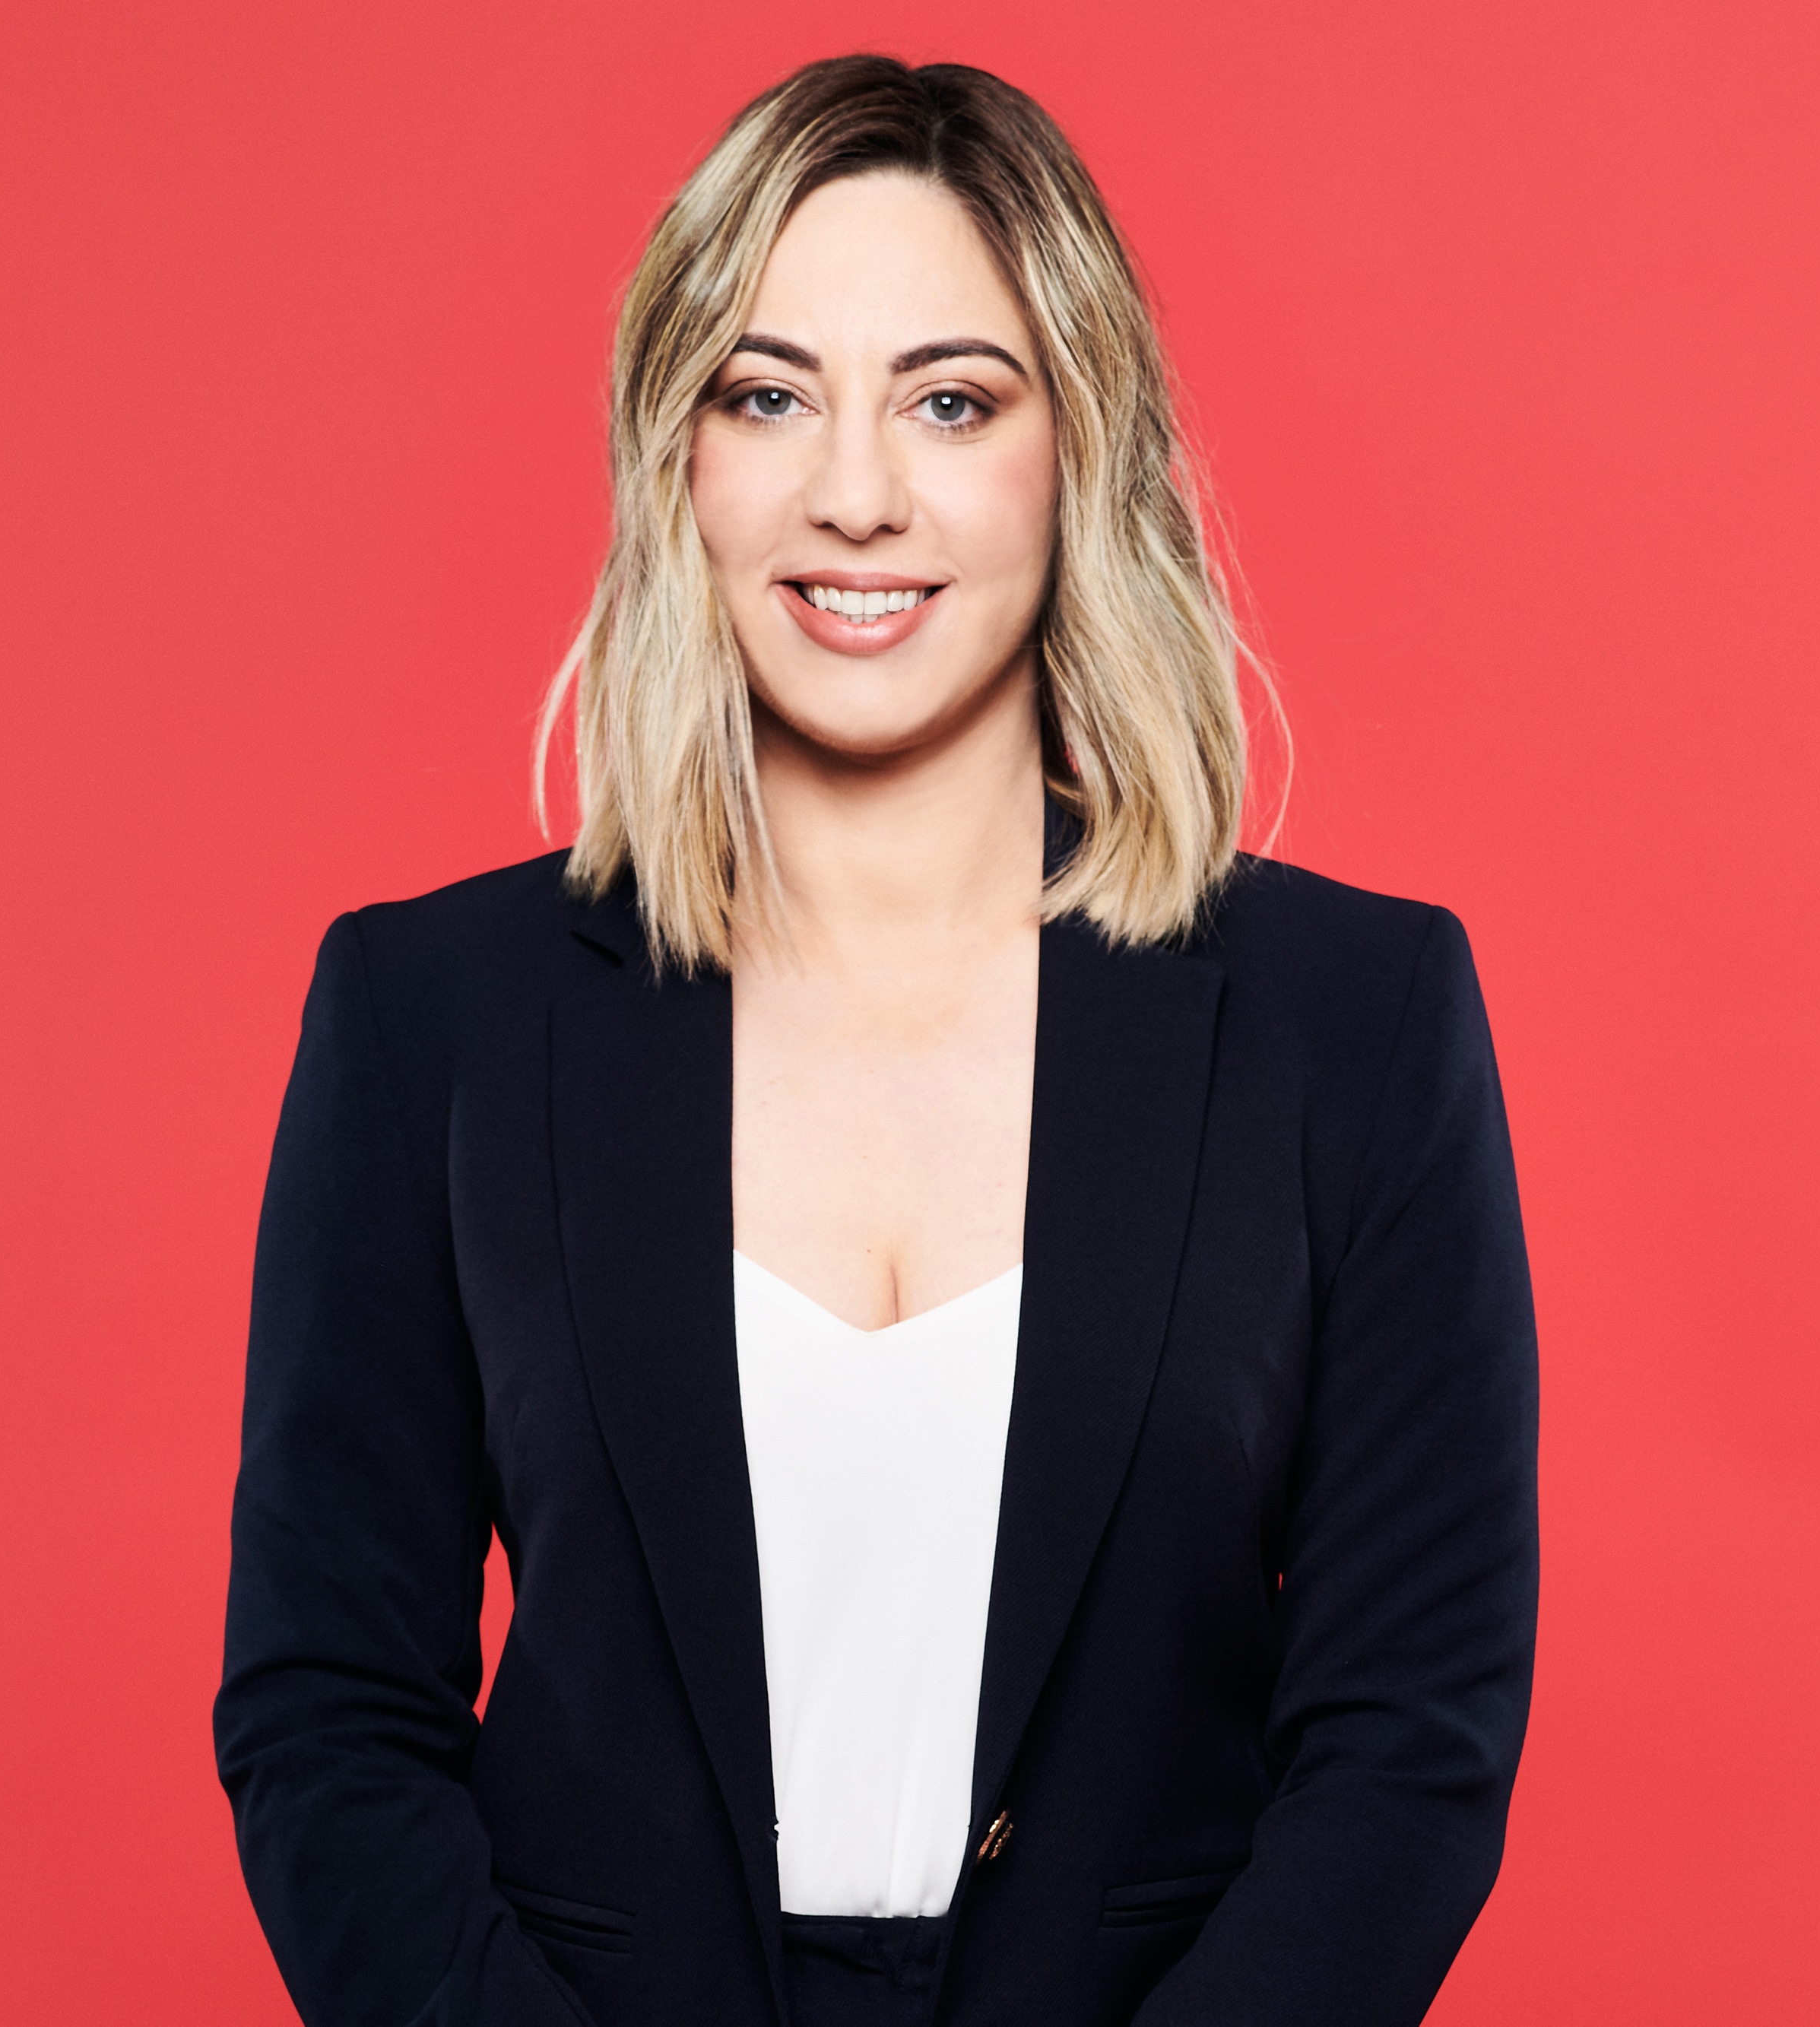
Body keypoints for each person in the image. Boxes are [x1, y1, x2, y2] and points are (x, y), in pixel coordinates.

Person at [214, 53, 1538, 2027]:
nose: (854, 492)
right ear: (678, 455)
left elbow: (1409, 1739)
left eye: (950, 399)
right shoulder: (433, 1018)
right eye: (768, 395)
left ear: (1078, 448)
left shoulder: (1354, 1021)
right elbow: (326, 1715)